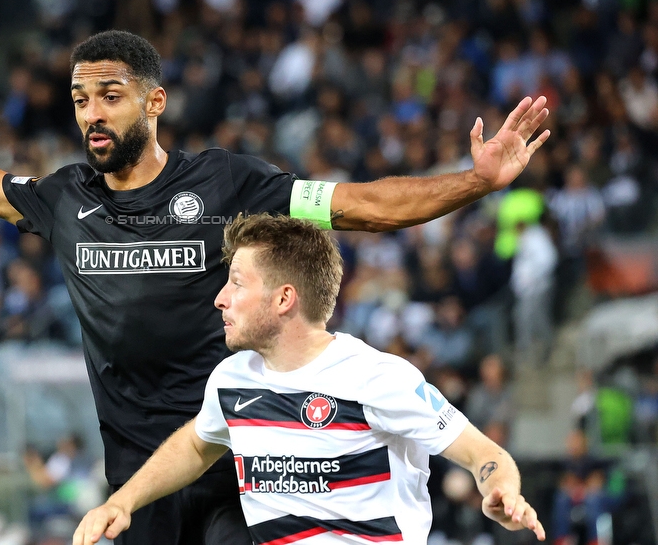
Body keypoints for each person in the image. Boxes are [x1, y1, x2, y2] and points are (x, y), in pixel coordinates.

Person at [0, 0, 550, 544]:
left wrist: (473, 182)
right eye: (81, 100)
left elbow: (363, 205)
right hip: (140, 474)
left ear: (155, 101)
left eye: (110, 96)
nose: (92, 116)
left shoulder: (226, 184)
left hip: (245, 460)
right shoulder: (62, 199)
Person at [74, 214, 545, 544]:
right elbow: (198, 445)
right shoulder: (233, 379)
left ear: (284, 299)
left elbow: (485, 454)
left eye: (237, 282)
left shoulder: (376, 378)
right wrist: (125, 501)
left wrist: (499, 489)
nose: (220, 298)